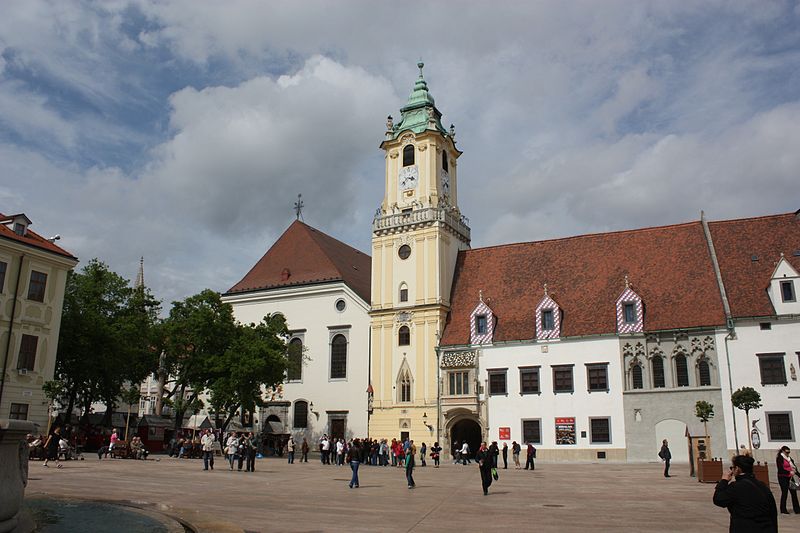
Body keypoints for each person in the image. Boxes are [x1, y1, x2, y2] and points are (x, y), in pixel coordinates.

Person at [713, 454, 778, 532]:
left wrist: (724, 481)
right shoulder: (762, 485)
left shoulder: (736, 487)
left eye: (732, 468)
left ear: (737, 469)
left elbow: (718, 499)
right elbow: (773, 512)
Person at [776, 446, 800, 514]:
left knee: (794, 493)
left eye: (789, 452)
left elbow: (794, 468)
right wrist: (788, 472)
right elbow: (780, 469)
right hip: (782, 477)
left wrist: (798, 475)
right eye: (787, 452)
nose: (788, 453)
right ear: (783, 451)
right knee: (785, 493)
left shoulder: (790, 459)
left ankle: (797, 509)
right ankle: (783, 509)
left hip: (790, 477)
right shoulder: (779, 458)